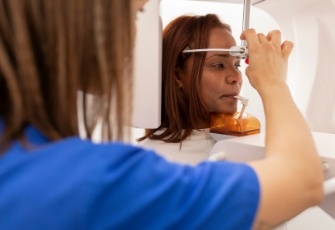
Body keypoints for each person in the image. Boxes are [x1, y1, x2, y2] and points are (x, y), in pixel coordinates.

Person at [0, 0, 323, 229]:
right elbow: (301, 181)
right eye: (136, 14)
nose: (236, 76)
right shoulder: (109, 178)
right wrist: (273, 82)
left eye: (237, 63)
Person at [138, 14, 243, 165]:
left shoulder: (241, 144)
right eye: (218, 65)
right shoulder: (153, 162)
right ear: (177, 76)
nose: (236, 77)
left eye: (237, 65)